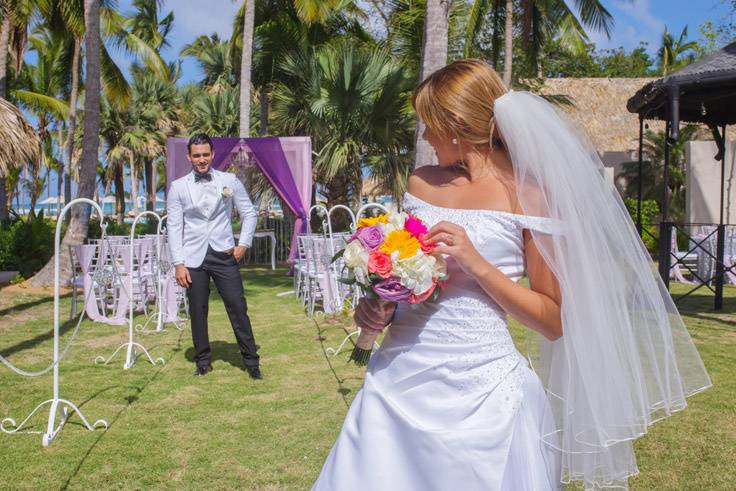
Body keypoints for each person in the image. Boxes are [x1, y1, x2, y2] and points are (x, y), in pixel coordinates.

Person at [312, 60, 711, 490]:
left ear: (454, 125)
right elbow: (411, 275)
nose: (425, 136)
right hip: (396, 377)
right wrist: (379, 308)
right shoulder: (422, 183)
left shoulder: (532, 195)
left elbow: (553, 321)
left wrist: (477, 263)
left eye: (428, 124)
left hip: (482, 390)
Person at [167, 133, 262, 380]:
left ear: (212, 154)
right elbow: (175, 227)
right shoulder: (178, 187)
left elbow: (249, 213)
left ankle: (251, 362)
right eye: (196, 155)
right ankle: (203, 361)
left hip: (224, 254)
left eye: (205, 154)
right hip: (192, 258)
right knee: (197, 310)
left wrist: (243, 244)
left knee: (238, 306)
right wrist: (178, 264)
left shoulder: (229, 180)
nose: (201, 160)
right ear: (189, 156)